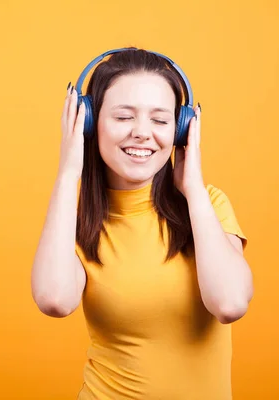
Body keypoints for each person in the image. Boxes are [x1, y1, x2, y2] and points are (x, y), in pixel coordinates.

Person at [30, 47, 254, 400]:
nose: (142, 133)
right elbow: (54, 300)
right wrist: (68, 171)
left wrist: (192, 188)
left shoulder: (207, 205)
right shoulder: (74, 224)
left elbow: (230, 303)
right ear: (88, 122)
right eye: (123, 117)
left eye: (161, 120)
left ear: (182, 130)